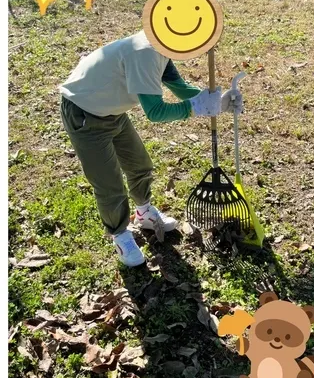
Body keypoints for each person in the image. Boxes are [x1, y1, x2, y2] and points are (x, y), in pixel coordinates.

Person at [59, 30, 243, 267]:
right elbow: (155, 112)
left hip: (112, 111)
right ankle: (120, 234)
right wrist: (195, 107)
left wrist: (218, 103)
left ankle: (144, 213)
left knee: (139, 165)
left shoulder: (163, 47)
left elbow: (179, 87)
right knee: (109, 183)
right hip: (83, 112)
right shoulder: (145, 52)